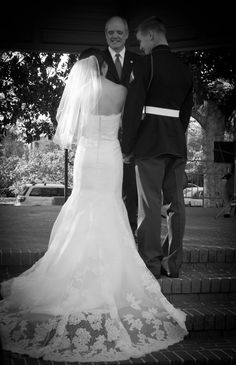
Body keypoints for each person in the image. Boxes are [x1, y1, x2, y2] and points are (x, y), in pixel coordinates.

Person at [0, 48, 188, 363]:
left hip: (86, 158)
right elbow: (129, 125)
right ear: (102, 65)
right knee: (111, 206)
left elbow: (70, 133)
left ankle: (71, 266)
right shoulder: (121, 91)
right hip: (112, 155)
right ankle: (113, 276)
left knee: (82, 205)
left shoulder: (78, 94)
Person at [122, 16, 193, 279]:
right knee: (177, 205)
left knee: (150, 206)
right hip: (176, 143)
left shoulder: (145, 63)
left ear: (151, 35)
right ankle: (173, 265)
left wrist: (127, 146)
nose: (140, 47)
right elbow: (185, 113)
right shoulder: (185, 69)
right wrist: (175, 134)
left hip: (150, 143)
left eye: (140, 40)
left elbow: (133, 108)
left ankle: (150, 265)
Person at [103, 16, 140, 236]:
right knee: (106, 190)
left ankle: (128, 236)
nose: (115, 36)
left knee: (130, 191)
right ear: (105, 34)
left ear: (127, 34)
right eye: (110, 33)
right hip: (105, 137)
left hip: (132, 135)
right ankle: (105, 236)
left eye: (119, 32)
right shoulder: (97, 60)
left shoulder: (140, 60)